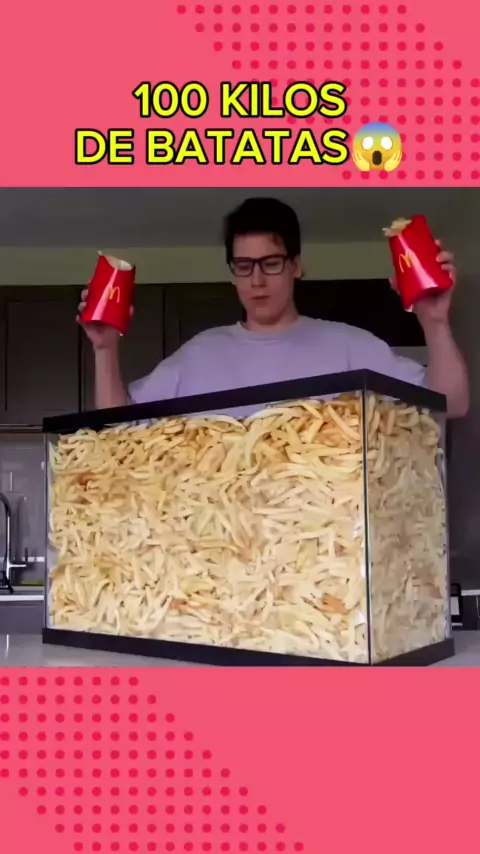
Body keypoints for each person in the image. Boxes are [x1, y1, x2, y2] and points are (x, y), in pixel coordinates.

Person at [78, 197, 469, 418]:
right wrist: (104, 348)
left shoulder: (351, 347)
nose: (257, 280)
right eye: (244, 266)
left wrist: (434, 322)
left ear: (296, 266)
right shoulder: (197, 356)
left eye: (271, 263)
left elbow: (451, 405)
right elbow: (116, 427)